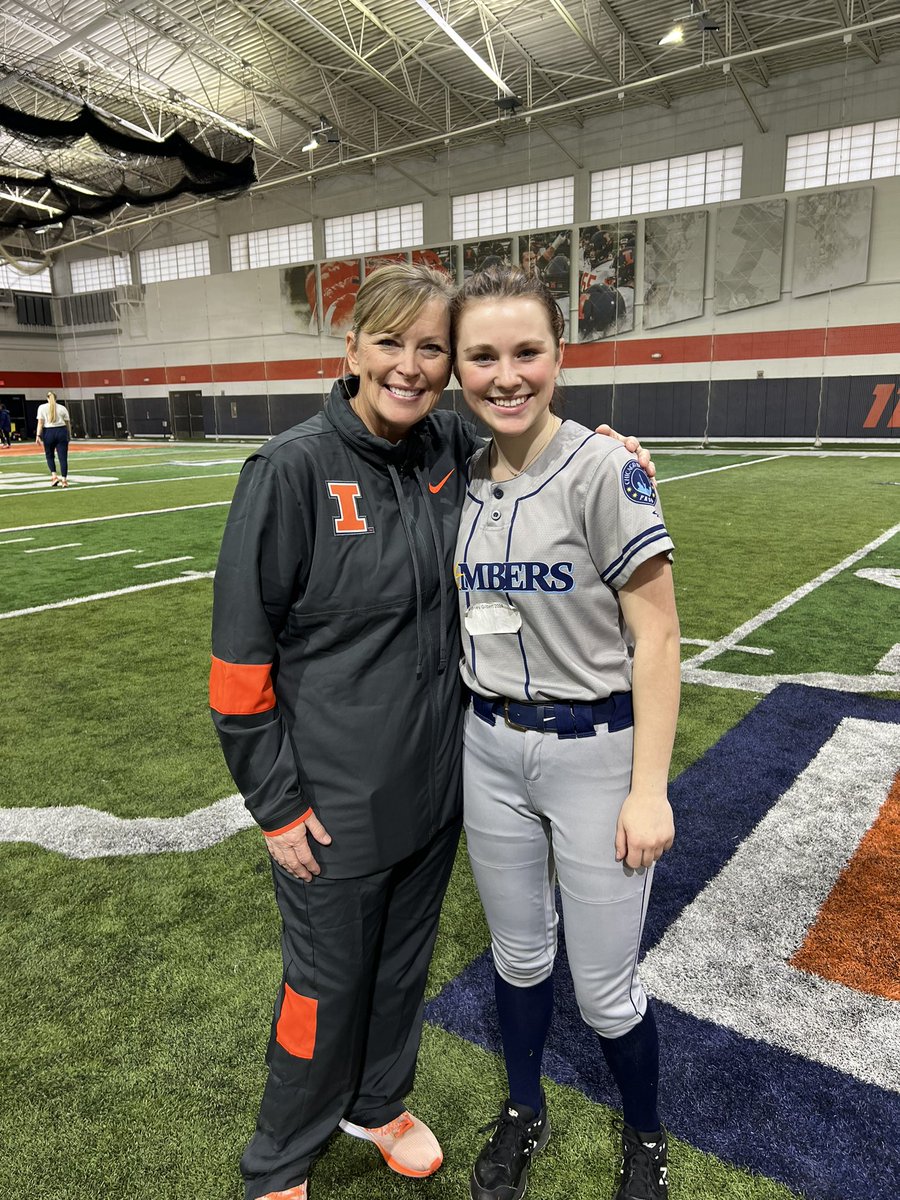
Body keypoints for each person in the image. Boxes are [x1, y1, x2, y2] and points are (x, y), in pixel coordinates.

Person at [210, 262, 655, 1200]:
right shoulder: (289, 471)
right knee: (322, 986)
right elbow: (239, 665)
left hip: (441, 783)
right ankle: (279, 1161)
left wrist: (613, 449)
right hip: (331, 802)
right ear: (351, 349)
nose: (410, 367)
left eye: (430, 349)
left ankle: (377, 1105)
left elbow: (531, 423)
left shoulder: (445, 445)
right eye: (389, 343)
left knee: (401, 969)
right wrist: (276, 805)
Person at [451, 265, 681, 1200]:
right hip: (488, 748)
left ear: (559, 356)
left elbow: (658, 637)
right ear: (458, 367)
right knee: (517, 957)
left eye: (526, 352)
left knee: (605, 990)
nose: (506, 376)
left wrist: (649, 789)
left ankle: (646, 1136)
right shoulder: (457, 473)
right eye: (483, 356)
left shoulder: (602, 468)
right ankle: (523, 1110)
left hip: (594, 754)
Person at [35, 390, 71, 486]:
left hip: (48, 432)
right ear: (56, 398)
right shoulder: (62, 408)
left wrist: (38, 435)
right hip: (61, 431)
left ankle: (54, 476)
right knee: (63, 457)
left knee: (49, 456)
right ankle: (64, 480)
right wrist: (68, 434)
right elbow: (67, 423)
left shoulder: (42, 407)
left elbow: (40, 423)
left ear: (47, 398)